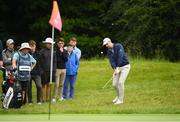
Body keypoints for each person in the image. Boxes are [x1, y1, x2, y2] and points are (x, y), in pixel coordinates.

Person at [103, 37, 130, 105]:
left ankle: (121, 100)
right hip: (117, 68)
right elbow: (111, 61)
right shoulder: (109, 51)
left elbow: (120, 57)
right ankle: (118, 96)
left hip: (125, 66)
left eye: (107, 44)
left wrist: (118, 67)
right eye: (105, 45)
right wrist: (115, 68)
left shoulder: (118, 46)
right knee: (114, 84)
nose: (106, 46)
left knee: (120, 83)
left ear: (110, 41)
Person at [40, 37, 56, 102]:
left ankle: (47, 98)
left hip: (51, 71)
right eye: (48, 43)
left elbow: (55, 61)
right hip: (44, 71)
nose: (49, 45)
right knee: (43, 85)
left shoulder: (53, 51)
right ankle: (42, 98)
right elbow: (39, 62)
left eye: (50, 44)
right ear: (46, 44)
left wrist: (54, 70)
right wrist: (41, 70)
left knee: (49, 84)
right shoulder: (42, 51)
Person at [52, 38, 68, 102]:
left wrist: (62, 52)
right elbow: (56, 59)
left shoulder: (65, 51)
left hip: (64, 69)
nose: (61, 44)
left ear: (63, 44)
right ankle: (54, 97)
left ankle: (60, 96)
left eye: (62, 43)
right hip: (57, 69)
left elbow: (66, 59)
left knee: (61, 84)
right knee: (56, 84)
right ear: (57, 44)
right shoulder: (55, 51)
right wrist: (60, 52)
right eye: (59, 43)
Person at [27, 40, 42, 105]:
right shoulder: (27, 54)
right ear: (29, 47)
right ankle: (30, 101)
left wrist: (40, 71)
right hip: (29, 73)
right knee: (28, 87)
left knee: (39, 86)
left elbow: (41, 63)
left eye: (34, 46)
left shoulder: (38, 54)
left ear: (35, 46)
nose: (32, 47)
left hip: (37, 74)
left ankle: (39, 101)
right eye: (31, 46)